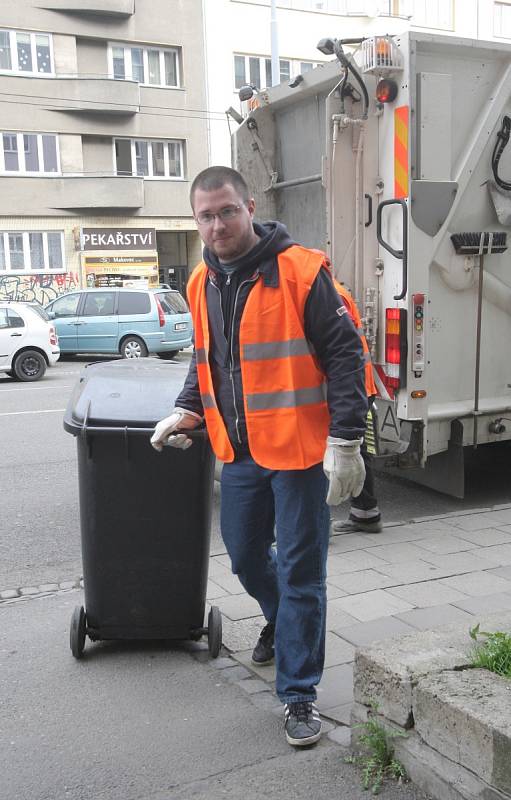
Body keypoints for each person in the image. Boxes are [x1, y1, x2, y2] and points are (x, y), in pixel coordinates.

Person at [150, 166, 368, 747]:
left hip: (299, 453)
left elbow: (347, 356)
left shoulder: (301, 272)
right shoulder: (201, 282)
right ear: (195, 221)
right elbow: (209, 361)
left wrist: (346, 440)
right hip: (240, 452)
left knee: (302, 572)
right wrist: (185, 408)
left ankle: (299, 695)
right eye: (205, 216)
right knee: (245, 555)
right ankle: (283, 621)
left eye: (227, 211)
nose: (217, 224)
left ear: (250, 206)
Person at [330, 280, 382, 534]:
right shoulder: (333, 290)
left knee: (331, 450)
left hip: (348, 390)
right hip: (356, 387)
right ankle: (366, 514)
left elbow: (340, 350)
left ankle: (315, 524)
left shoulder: (327, 294)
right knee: (357, 449)